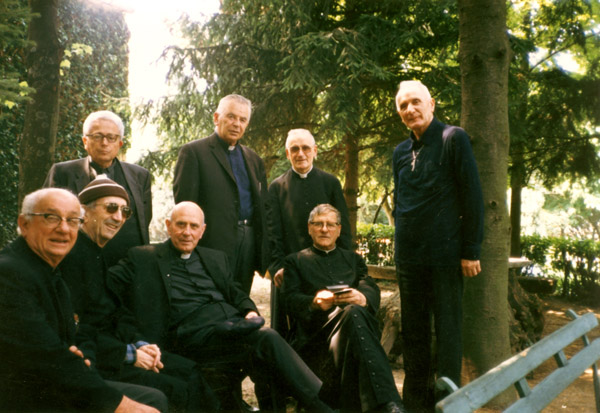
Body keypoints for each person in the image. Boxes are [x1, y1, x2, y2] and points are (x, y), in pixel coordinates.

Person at [107, 202, 334, 413]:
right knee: (266, 338)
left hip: (230, 327)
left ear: (202, 230)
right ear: (168, 226)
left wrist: (249, 311)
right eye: (181, 225)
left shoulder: (214, 258)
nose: (187, 232)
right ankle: (323, 406)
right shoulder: (143, 257)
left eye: (193, 226)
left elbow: (236, 293)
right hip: (192, 334)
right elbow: (106, 285)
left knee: (262, 352)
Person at [61, 176, 217, 412]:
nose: (118, 217)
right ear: (84, 211)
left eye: (124, 211)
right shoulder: (71, 257)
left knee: (190, 371)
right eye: (111, 208)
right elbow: (81, 329)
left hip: (119, 349)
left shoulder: (96, 252)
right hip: (101, 362)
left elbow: (114, 313)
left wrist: (141, 344)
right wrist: (130, 355)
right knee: (177, 388)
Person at [0, 188, 162, 412]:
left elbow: (73, 335)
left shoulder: (48, 269)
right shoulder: (9, 274)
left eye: (72, 220)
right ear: (24, 224)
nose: (64, 229)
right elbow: (44, 356)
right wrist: (120, 405)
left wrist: (80, 357)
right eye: (51, 217)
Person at [392, 80, 484, 412]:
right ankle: (415, 405)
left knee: (448, 334)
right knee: (414, 335)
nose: (410, 109)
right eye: (403, 105)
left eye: (415, 102)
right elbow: (401, 200)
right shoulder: (400, 152)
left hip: (445, 258)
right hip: (409, 261)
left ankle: (449, 405)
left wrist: (470, 250)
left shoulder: (452, 138)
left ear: (431, 104)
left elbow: (472, 196)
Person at [283, 204, 406, 413]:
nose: (324, 229)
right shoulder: (295, 261)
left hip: (351, 336)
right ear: (309, 228)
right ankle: (390, 404)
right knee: (354, 313)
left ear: (339, 230)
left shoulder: (354, 260)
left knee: (354, 311)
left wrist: (362, 297)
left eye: (330, 225)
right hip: (317, 339)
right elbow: (290, 301)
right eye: (318, 224)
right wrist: (314, 302)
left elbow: (369, 286)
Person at [173, 94, 268, 294]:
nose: (236, 124)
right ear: (216, 118)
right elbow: (185, 206)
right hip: (212, 243)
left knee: (240, 297)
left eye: (242, 120)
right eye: (231, 117)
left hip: (248, 242)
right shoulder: (194, 152)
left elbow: (262, 207)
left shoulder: (254, 159)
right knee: (213, 299)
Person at [267, 128, 351, 335]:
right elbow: (272, 232)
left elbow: (343, 229)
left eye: (305, 148)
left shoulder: (330, 183)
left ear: (315, 151)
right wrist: (278, 266)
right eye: (294, 149)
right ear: (287, 154)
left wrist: (345, 263)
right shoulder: (276, 187)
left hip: (326, 266)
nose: (300, 154)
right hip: (289, 271)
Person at [44, 110, 152, 267]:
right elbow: (49, 219)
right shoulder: (62, 173)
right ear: (85, 141)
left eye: (111, 137)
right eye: (97, 136)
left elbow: (144, 219)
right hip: (78, 264)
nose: (104, 143)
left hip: (128, 265)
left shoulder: (140, 176)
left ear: (120, 143)